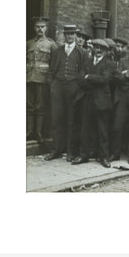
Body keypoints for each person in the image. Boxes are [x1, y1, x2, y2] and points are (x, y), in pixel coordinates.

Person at [44, 24, 87, 161]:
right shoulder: (58, 51)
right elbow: (51, 69)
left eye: (72, 33)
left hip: (73, 88)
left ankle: (70, 151)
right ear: (64, 35)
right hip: (58, 87)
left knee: (71, 120)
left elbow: (83, 72)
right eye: (67, 34)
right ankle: (56, 150)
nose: (69, 36)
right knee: (57, 119)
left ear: (75, 35)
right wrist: (52, 84)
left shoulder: (82, 52)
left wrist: (77, 86)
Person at [72, 39, 114, 168]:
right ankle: (83, 155)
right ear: (93, 49)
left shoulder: (109, 64)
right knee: (85, 129)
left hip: (102, 101)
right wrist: (91, 81)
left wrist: (89, 77)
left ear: (106, 51)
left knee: (102, 131)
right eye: (96, 47)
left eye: (101, 48)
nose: (98, 50)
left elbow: (105, 79)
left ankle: (104, 157)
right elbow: (80, 79)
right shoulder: (87, 62)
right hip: (87, 99)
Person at [26, 17, 57, 144]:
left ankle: (39, 133)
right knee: (29, 106)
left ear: (46, 28)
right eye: (37, 26)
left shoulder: (51, 44)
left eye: (42, 27)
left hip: (43, 80)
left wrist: (49, 79)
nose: (40, 29)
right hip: (28, 78)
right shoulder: (28, 44)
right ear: (34, 28)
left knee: (40, 107)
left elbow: (54, 64)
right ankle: (29, 132)